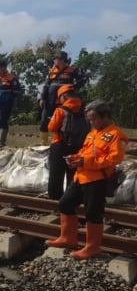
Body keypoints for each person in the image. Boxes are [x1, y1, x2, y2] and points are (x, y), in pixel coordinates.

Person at [46, 100, 128, 260]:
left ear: (104, 116)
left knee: (93, 213)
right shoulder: (92, 134)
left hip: (97, 180)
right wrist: (75, 158)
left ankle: (92, 248)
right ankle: (68, 238)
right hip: (81, 177)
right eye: (89, 120)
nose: (91, 122)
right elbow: (85, 153)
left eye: (93, 119)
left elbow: (114, 159)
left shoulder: (115, 135)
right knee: (65, 203)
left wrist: (85, 162)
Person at [46, 84, 85, 200]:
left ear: (63, 96)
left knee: (56, 174)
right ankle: (71, 198)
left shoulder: (60, 110)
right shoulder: (84, 110)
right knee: (73, 175)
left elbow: (51, 128)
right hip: (78, 146)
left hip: (60, 144)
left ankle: (54, 198)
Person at [38, 51, 84, 145]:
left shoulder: (72, 70)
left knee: (62, 122)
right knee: (44, 120)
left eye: (57, 59)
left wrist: (73, 88)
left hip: (64, 101)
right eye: (55, 59)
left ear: (63, 60)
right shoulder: (51, 71)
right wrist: (42, 98)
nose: (55, 61)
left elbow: (81, 80)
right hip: (50, 99)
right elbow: (46, 85)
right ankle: (43, 143)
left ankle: (59, 141)